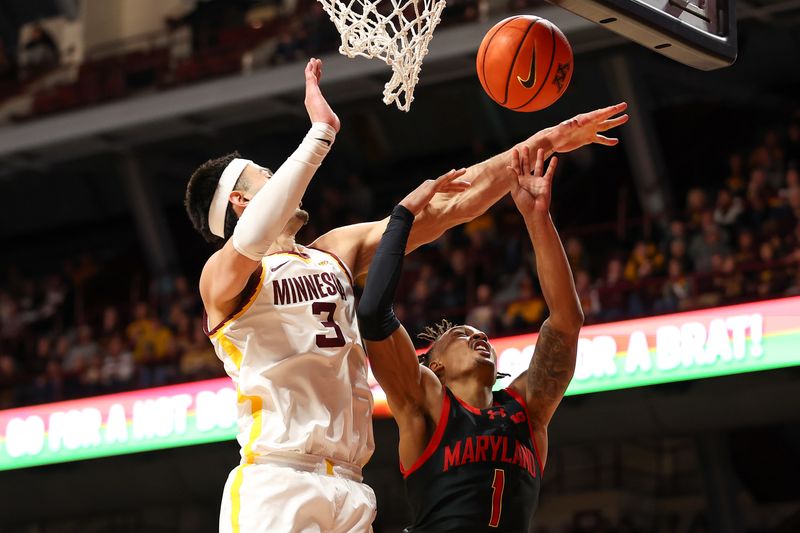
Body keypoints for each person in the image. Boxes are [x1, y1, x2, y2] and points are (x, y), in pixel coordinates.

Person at [183, 55, 626, 532]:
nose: (284, 183)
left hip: (351, 486)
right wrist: (321, 134)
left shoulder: (333, 252)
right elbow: (250, 238)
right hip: (278, 480)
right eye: (269, 177)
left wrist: (543, 142)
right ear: (241, 201)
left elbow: (455, 202)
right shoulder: (223, 279)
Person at [357, 146, 585, 532]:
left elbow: (565, 322)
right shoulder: (425, 403)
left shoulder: (526, 409)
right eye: (461, 334)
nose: (478, 336)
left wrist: (537, 219)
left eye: (480, 334)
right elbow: (372, 314)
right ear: (436, 364)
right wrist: (403, 217)